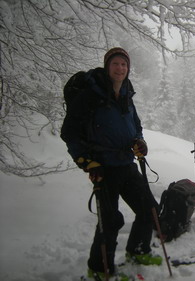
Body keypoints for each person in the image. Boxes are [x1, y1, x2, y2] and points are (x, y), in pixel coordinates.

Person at [61, 47, 162, 277]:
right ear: (107, 66)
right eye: (115, 64)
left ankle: (138, 250)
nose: (120, 68)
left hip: (126, 163)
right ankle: (100, 269)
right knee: (110, 221)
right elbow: (69, 132)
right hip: (103, 167)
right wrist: (85, 161)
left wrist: (140, 142)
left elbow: (136, 126)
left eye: (124, 65)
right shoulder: (91, 94)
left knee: (149, 209)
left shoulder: (126, 94)